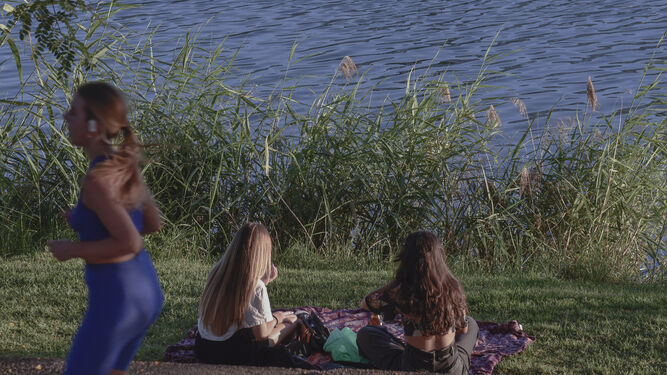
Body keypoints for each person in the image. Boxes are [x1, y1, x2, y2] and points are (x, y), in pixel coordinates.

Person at [47, 82, 164, 375]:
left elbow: (129, 242)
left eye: (73, 112)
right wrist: (82, 218)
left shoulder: (97, 180)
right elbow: (150, 223)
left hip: (117, 300)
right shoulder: (123, 164)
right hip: (147, 294)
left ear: (93, 125)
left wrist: (70, 250)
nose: (65, 117)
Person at [357, 231, 479, 374]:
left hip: (413, 368)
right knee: (471, 323)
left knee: (366, 334)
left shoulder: (401, 292)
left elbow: (365, 303)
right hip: (451, 368)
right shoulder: (453, 288)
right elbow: (463, 330)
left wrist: (396, 282)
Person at [195, 222, 302, 367]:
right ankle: (291, 322)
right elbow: (261, 334)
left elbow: (242, 299)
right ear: (263, 254)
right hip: (230, 354)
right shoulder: (255, 287)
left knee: (270, 323)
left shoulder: (216, 273)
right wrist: (279, 318)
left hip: (203, 347)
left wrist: (263, 283)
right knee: (292, 320)